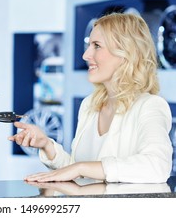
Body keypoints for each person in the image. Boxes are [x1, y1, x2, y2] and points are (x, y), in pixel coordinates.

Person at [9, 12, 173, 183]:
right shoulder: (90, 105)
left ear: (125, 52)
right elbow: (80, 171)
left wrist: (80, 168)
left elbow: (157, 166)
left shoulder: (150, 106)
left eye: (96, 46)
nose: (85, 55)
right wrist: (46, 145)